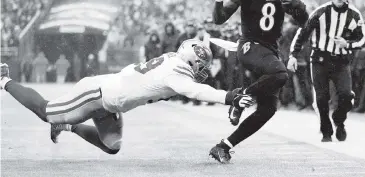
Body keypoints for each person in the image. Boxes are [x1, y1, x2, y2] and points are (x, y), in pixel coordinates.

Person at [0, 39, 253, 155]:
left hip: (112, 101)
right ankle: (4, 79)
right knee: (46, 111)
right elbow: (198, 91)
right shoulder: (176, 72)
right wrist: (229, 97)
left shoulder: (173, 60)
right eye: (200, 63)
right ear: (189, 58)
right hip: (96, 94)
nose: (202, 69)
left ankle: (69, 125)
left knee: (112, 146)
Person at [209, 0, 309, 164]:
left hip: (270, 49)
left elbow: (303, 21)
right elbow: (219, 19)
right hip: (249, 45)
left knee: (268, 109)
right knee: (281, 74)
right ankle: (240, 98)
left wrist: (300, 6)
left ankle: (224, 146)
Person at [287, 0, 365, 142]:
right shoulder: (320, 12)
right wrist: (293, 55)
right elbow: (302, 33)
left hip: (341, 60)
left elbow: (362, 39)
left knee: (345, 95)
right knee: (322, 98)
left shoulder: (354, 14)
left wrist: (347, 44)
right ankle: (326, 131)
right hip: (319, 60)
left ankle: (339, 120)